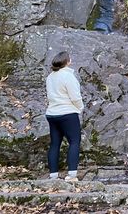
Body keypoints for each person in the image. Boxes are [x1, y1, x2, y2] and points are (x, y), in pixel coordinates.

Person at [45, 51, 83, 181]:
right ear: (67, 62)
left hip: (52, 114)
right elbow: (75, 97)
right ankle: (72, 175)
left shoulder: (50, 77)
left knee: (55, 144)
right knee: (74, 142)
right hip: (67, 113)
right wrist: (80, 108)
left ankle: (53, 176)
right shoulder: (68, 76)